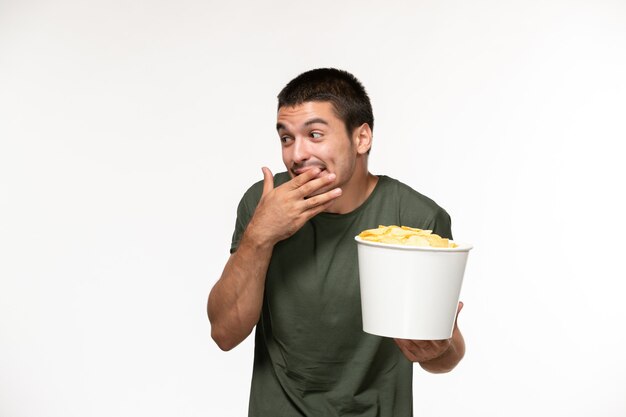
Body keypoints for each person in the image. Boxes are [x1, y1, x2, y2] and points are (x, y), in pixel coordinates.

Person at [207, 68, 465, 416]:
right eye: (286, 138)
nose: (296, 154)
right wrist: (260, 235)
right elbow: (224, 333)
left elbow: (443, 358)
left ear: (361, 139)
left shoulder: (417, 218)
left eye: (314, 134)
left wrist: (438, 347)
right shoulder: (263, 203)